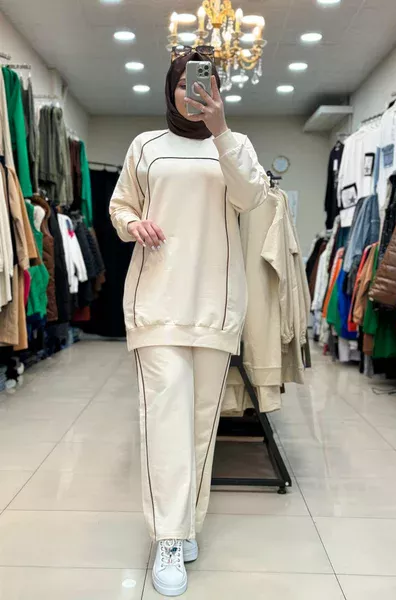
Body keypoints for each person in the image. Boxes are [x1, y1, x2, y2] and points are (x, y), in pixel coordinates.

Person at [109, 49, 270, 597]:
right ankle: (168, 537)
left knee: (201, 424)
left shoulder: (236, 145)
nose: (193, 92)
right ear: (171, 89)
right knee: (164, 421)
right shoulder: (145, 146)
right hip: (156, 302)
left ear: (217, 91)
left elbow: (251, 198)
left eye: (204, 84)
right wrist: (133, 224)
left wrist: (221, 130)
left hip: (216, 305)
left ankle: (186, 524)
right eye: (183, 83)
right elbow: (120, 206)